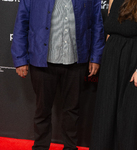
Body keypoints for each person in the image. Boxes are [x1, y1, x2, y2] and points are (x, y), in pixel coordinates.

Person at [11, 0, 104, 150]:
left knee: (72, 111)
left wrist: (95, 56)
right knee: (42, 111)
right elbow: (21, 23)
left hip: (76, 62)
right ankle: (41, 147)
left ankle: (70, 147)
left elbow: (96, 25)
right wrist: (20, 58)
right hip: (42, 62)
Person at [90, 0, 137, 149]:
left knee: (133, 116)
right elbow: (111, 32)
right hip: (113, 64)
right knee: (107, 113)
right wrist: (109, 62)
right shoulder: (113, 0)